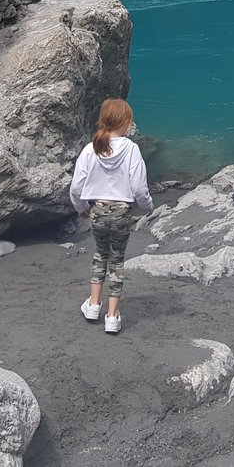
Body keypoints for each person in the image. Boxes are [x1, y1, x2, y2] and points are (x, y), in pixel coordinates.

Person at [69, 97, 153, 334]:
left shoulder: (90, 149)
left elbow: (76, 187)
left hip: (97, 210)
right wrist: (147, 206)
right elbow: (138, 187)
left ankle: (94, 305)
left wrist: (81, 207)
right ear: (126, 123)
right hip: (122, 213)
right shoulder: (132, 150)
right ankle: (112, 316)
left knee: (100, 255)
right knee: (116, 260)